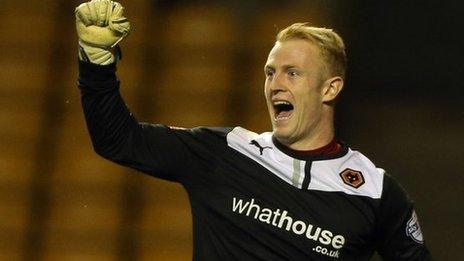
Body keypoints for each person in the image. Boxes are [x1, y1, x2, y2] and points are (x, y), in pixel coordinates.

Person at [75, 0, 431, 260]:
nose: (276, 84)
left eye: (292, 73)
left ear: (330, 88)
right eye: (270, 72)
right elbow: (117, 140)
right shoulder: (223, 153)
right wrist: (96, 64)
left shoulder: (376, 192)